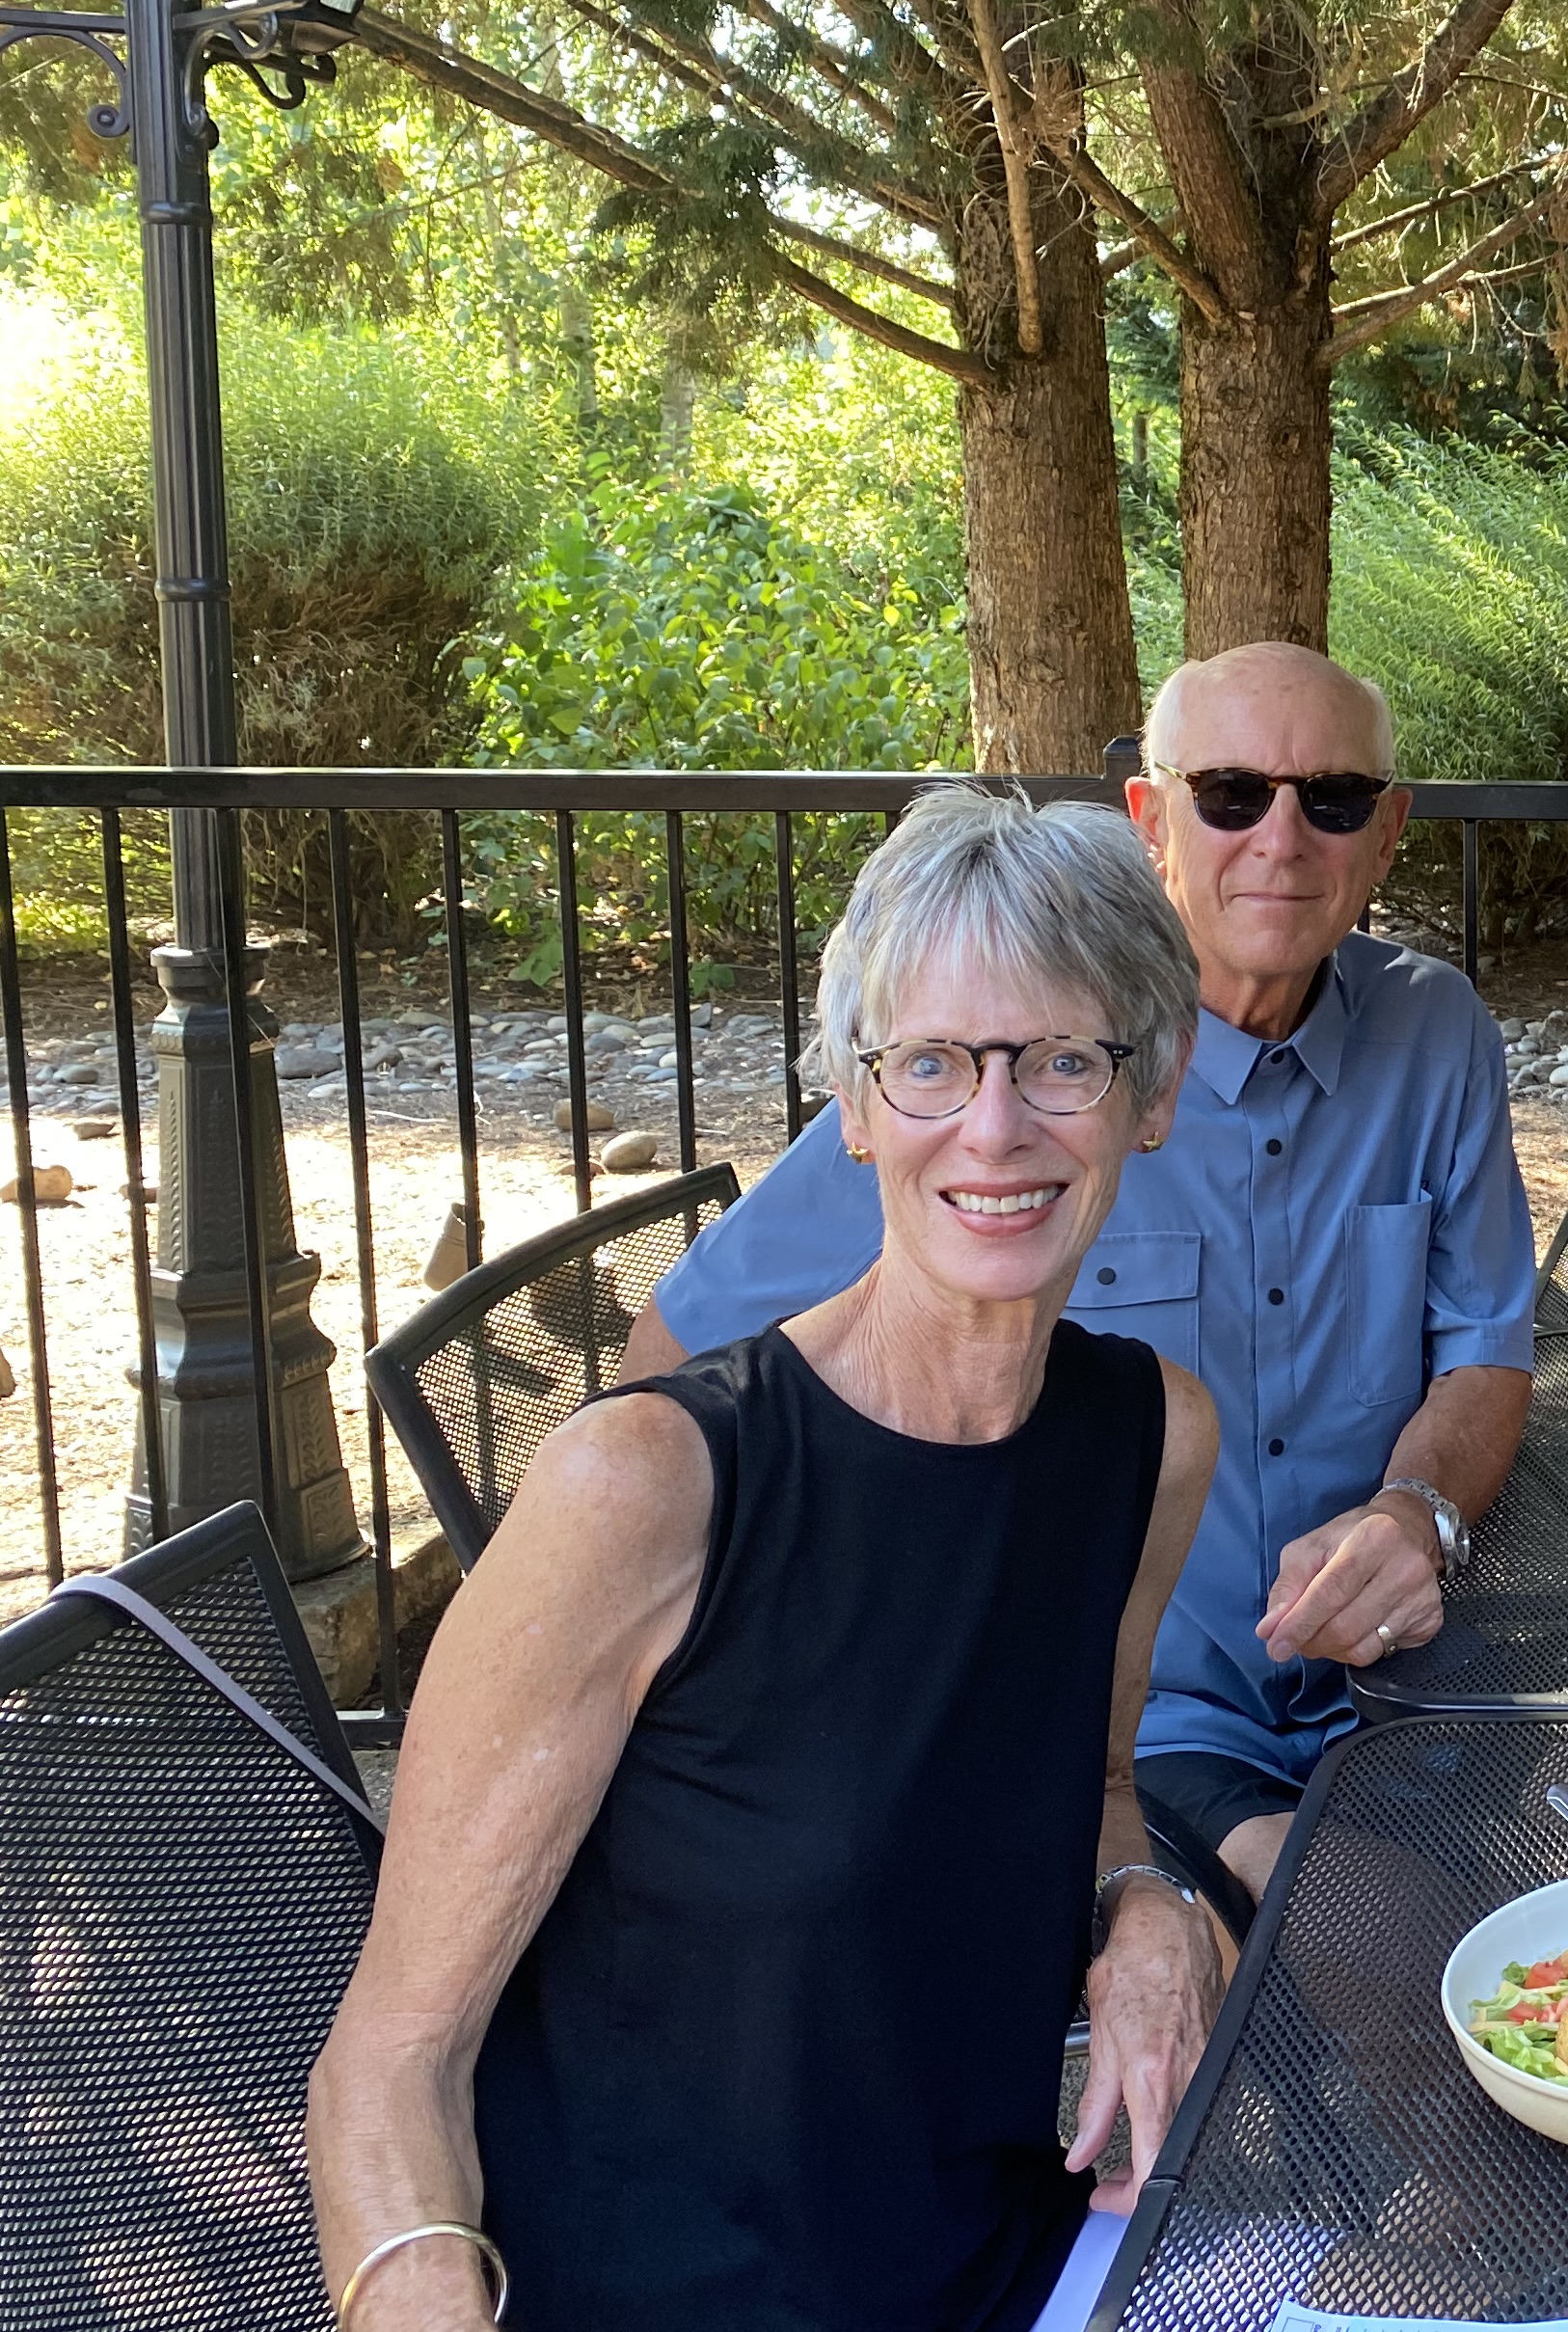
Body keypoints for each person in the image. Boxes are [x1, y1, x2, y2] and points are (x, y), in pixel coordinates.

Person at [310, 787, 1225, 2332]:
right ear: (854, 1108)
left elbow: (1102, 1782)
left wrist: (1145, 1906)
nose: (994, 1126)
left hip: (1014, 2263)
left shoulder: (1151, 1440)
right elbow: (390, 2064)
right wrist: (428, 2294)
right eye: (930, 1063)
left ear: (1153, 1091)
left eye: (1064, 1059)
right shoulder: (648, 1489)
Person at [630, 642, 1535, 1907]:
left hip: (1397, 1681)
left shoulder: (1435, 1034)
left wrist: (1414, 1514)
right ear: (1151, 818)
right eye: (1231, 794)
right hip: (1125, 1733)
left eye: (1331, 799)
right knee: (1387, 1943)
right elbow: (674, 1370)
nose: (1280, 838)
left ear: (1386, 834)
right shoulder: (1007, 1075)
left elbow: (1487, 1349)